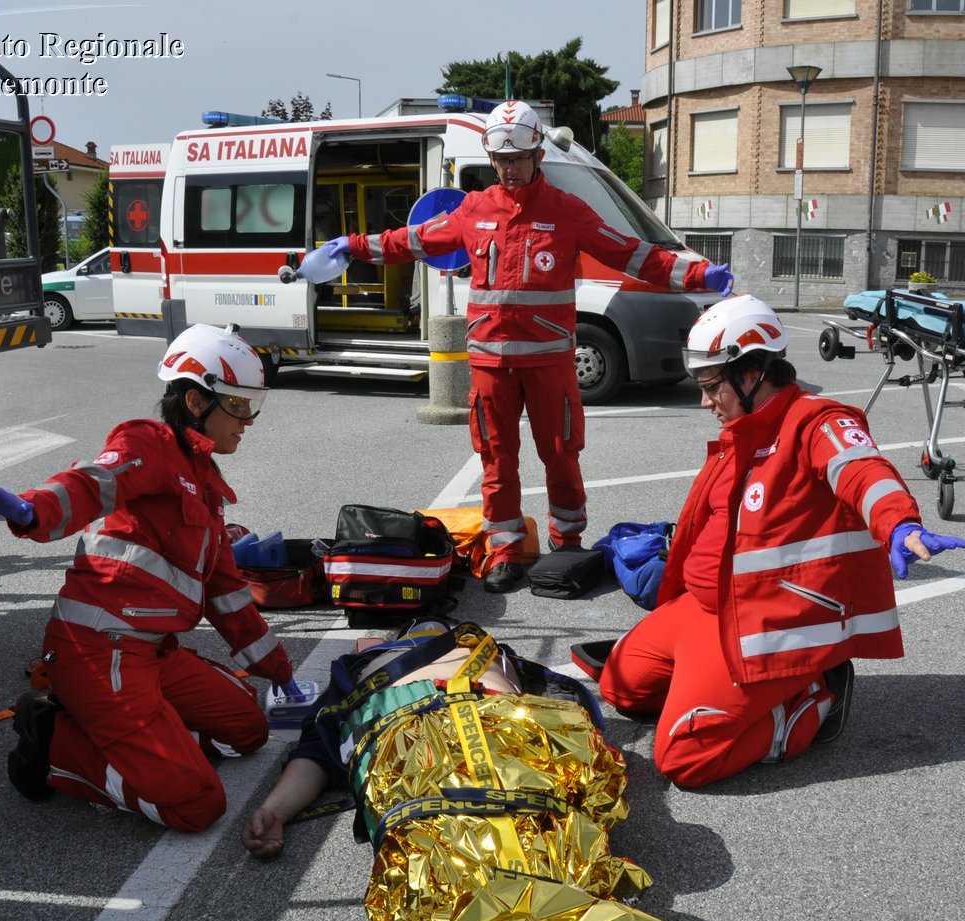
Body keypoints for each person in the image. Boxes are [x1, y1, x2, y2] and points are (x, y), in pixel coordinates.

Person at [242, 619, 742, 921]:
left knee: (550, 846)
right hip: (412, 749)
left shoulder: (496, 656)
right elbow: (313, 757)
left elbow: (575, 721)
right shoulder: (350, 684)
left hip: (509, 736)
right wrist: (276, 811)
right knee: (447, 857)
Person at [307, 101, 733, 594]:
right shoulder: (474, 210)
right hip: (490, 361)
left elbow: (630, 253)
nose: (510, 170)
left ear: (536, 154)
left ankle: (568, 543)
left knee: (561, 454)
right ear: (492, 159)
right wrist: (352, 246)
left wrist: (699, 273)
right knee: (495, 457)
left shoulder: (567, 210)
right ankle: (506, 549)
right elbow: (415, 240)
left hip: (550, 361)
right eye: (501, 160)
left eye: (519, 159)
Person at [590, 296, 965, 789]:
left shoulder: (818, 422)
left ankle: (812, 699)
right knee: (619, 688)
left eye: (710, 387)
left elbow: (861, 470)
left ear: (751, 375)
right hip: (704, 609)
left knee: (682, 758)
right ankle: (717, 692)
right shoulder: (743, 429)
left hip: (763, 624)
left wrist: (900, 525)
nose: (705, 402)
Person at [0, 323, 306, 832]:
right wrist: (34, 511)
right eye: (237, 406)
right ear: (195, 402)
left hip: (152, 652)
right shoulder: (149, 444)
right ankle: (54, 738)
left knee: (249, 729)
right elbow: (92, 482)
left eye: (252, 406)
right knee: (196, 806)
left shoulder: (205, 483)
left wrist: (279, 671)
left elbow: (227, 592)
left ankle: (138, 734)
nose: (248, 421)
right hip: (100, 651)